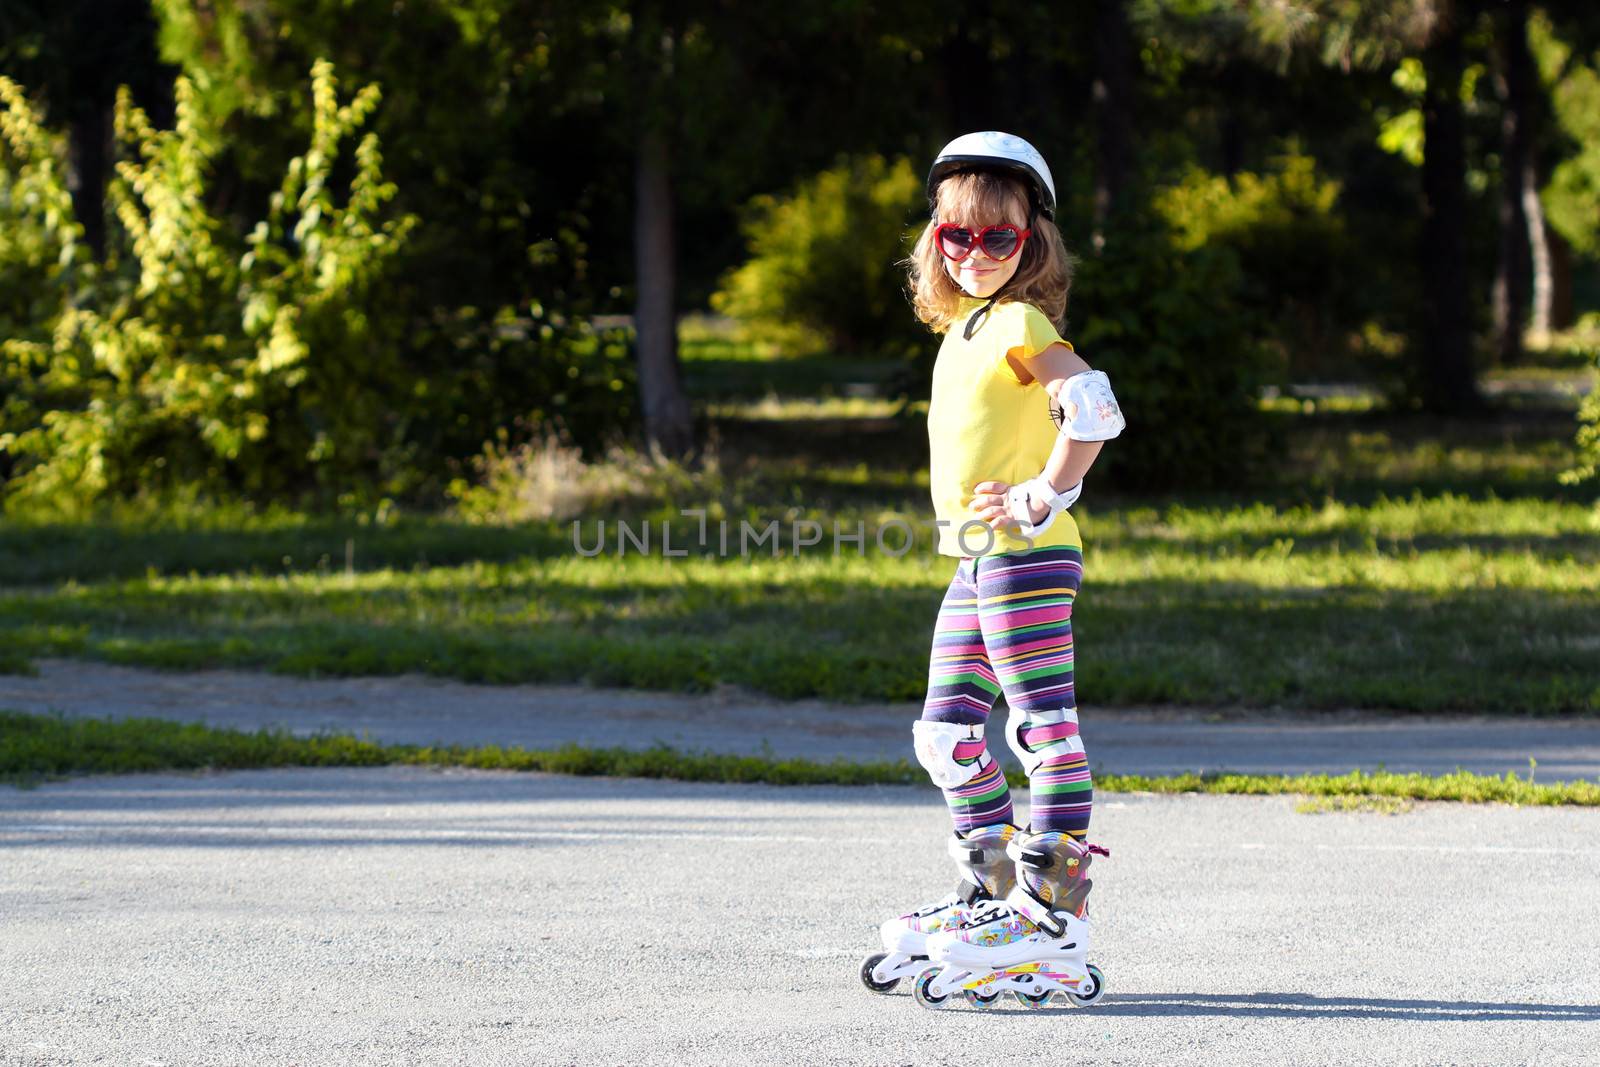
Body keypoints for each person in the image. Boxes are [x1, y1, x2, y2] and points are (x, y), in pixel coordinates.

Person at [860, 132, 1125, 1009]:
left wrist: (1048, 492)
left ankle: (1050, 912)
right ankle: (990, 890)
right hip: (978, 561)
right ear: (934, 240)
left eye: (997, 239)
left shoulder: (1018, 321)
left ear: (1033, 243)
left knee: (1041, 730)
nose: (975, 255)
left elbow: (1092, 403)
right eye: (955, 238)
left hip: (1026, 557)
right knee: (946, 735)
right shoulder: (966, 328)